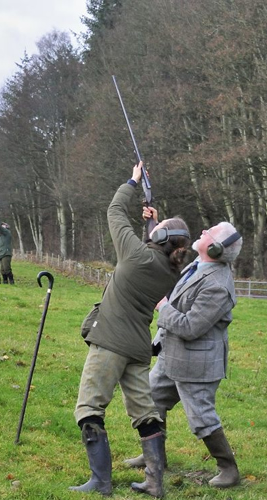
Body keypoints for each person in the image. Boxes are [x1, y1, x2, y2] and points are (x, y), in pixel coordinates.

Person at [70, 162, 191, 498]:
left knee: (88, 409)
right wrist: (153, 225)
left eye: (160, 226)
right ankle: (155, 483)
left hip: (110, 343)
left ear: (161, 238)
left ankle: (101, 482)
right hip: (138, 348)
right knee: (145, 415)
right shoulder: (170, 270)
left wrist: (132, 181)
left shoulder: (137, 256)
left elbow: (114, 210)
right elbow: (154, 252)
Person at [124, 221, 243, 490]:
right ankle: (155, 456)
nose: (203, 232)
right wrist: (153, 222)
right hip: (172, 353)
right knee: (152, 400)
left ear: (215, 247)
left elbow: (191, 327)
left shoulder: (217, 286)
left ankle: (228, 469)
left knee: (201, 417)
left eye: (209, 233)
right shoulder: (200, 265)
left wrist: (163, 307)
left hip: (196, 362)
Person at [0, 216, 13, 284]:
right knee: (2, 270)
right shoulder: (1, 236)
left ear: (6, 227)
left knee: (7, 269)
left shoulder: (7, 232)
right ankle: (5, 282)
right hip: (1, 254)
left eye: (3, 225)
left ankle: (11, 281)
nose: (2, 226)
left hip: (6, 253)